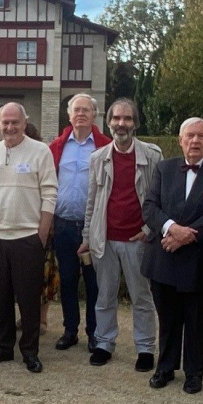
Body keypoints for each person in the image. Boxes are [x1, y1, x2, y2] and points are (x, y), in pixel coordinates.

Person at [140, 117, 203, 394]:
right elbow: (150, 206)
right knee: (167, 316)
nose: (195, 141)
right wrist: (172, 229)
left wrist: (189, 234)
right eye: (190, 135)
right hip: (164, 254)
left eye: (201, 136)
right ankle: (165, 367)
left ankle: (194, 373)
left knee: (195, 318)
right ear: (180, 140)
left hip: (199, 257)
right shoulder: (164, 169)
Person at [0, 102, 57, 374]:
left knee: (29, 299)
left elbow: (50, 194)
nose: (10, 127)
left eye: (15, 122)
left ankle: (30, 352)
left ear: (24, 122)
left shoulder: (40, 151)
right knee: (0, 296)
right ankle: (3, 347)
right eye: (5, 122)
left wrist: (41, 235)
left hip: (27, 237)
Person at [79, 98, 162, 370]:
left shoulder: (152, 156)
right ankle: (104, 343)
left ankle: (146, 348)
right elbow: (91, 201)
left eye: (127, 119)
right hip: (104, 238)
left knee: (142, 296)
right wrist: (86, 238)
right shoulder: (98, 158)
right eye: (116, 118)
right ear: (108, 122)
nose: (121, 124)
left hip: (137, 239)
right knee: (105, 296)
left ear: (135, 124)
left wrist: (149, 230)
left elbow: (160, 199)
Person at [48, 93, 108, 350]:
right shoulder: (57, 146)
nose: (81, 113)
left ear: (94, 115)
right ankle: (70, 329)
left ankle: (94, 333)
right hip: (63, 224)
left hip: (93, 226)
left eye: (86, 109)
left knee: (94, 283)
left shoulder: (105, 146)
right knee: (69, 280)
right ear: (69, 115)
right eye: (76, 110)